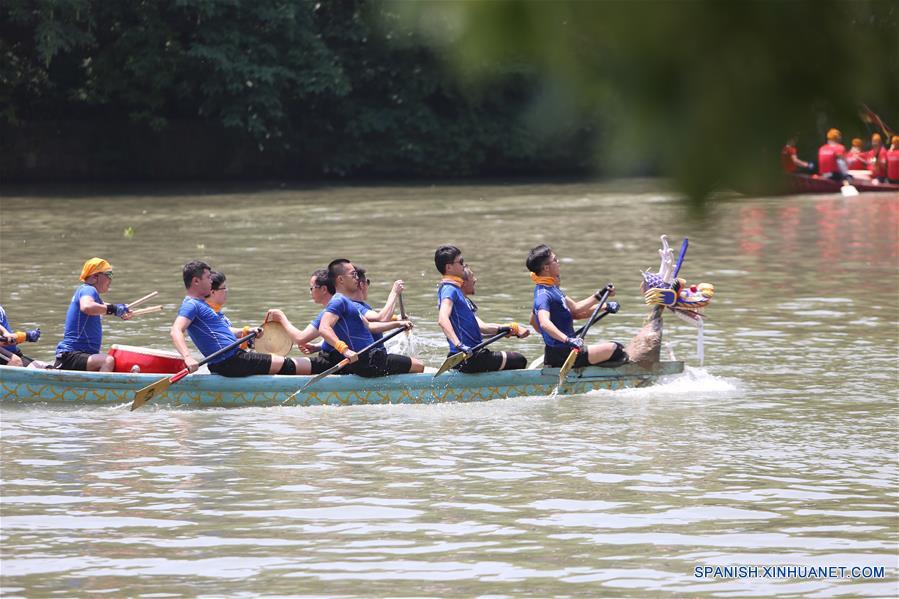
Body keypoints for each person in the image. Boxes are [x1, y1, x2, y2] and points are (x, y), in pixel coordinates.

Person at [172, 260, 310, 377]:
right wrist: (188, 357)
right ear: (196, 281)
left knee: (279, 363)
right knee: (285, 363)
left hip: (232, 359)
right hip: (230, 361)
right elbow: (176, 330)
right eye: (208, 278)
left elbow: (220, 332)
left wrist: (246, 331)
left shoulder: (202, 304)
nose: (211, 281)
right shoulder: (191, 305)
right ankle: (319, 370)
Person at [526, 244, 627, 369]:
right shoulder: (543, 295)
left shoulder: (552, 288)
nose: (558, 262)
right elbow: (544, 323)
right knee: (617, 349)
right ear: (546, 268)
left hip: (564, 350)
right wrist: (567, 340)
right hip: (564, 354)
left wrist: (602, 298)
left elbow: (576, 309)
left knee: (613, 349)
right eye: (555, 260)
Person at [316, 259, 422, 377]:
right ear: (340, 279)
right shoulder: (338, 301)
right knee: (419, 366)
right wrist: (344, 350)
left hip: (371, 358)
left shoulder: (348, 302)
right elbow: (324, 328)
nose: (357, 278)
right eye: (353, 274)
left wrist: (398, 324)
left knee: (413, 364)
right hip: (368, 361)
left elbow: (370, 326)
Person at [434, 246, 529, 373]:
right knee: (519, 360)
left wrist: (506, 329)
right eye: (460, 262)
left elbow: (481, 327)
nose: (463, 265)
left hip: (472, 355)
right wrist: (459, 345)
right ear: (449, 267)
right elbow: (442, 319)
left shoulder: (456, 291)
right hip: (467, 357)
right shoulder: (449, 289)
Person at [54, 258, 132, 371]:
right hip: (71, 355)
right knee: (107, 360)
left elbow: (102, 307)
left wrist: (122, 310)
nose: (111, 279)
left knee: (111, 359)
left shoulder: (88, 293)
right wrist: (114, 309)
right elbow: (87, 307)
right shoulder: (88, 289)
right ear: (95, 277)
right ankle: (101, 389)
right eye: (109, 274)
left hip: (78, 355)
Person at [265, 268, 339, 374]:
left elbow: (300, 338)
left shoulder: (330, 311)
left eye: (312, 288)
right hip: (333, 357)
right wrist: (317, 347)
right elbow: (339, 334)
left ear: (323, 289)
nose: (310, 292)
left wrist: (281, 318)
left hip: (334, 363)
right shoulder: (338, 305)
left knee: (285, 365)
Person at [349, 266, 405, 343]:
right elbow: (382, 318)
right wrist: (394, 292)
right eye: (367, 281)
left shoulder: (362, 305)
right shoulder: (354, 306)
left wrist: (396, 318)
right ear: (361, 285)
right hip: (372, 353)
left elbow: (374, 320)